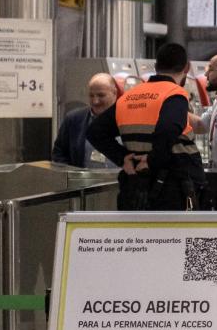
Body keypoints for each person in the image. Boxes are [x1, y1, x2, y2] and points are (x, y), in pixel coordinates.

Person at [87, 43, 209, 210]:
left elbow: (94, 131)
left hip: (137, 186)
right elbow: (168, 129)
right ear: (186, 68)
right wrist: (152, 160)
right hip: (174, 188)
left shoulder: (129, 96)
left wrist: (122, 157)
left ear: (156, 67)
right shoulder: (175, 94)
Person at [52, 73, 120, 168]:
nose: (95, 101)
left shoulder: (129, 120)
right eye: (91, 96)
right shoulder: (73, 120)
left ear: (114, 93)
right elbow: (59, 153)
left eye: (101, 95)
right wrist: (71, 174)